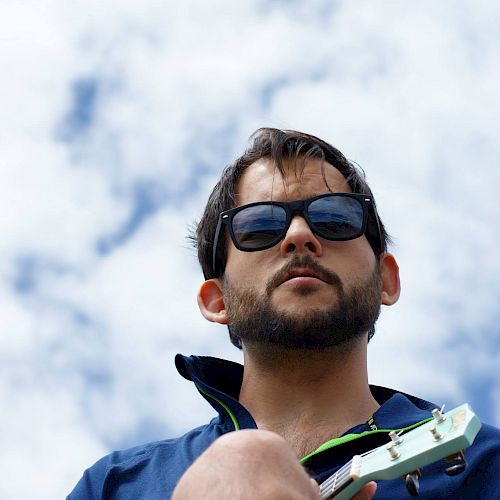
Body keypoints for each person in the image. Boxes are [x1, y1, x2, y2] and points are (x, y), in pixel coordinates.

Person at [68, 129, 499, 499]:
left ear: (386, 280)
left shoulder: (486, 463)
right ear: (218, 301)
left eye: (334, 218)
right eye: (258, 226)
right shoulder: (117, 485)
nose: (299, 236)